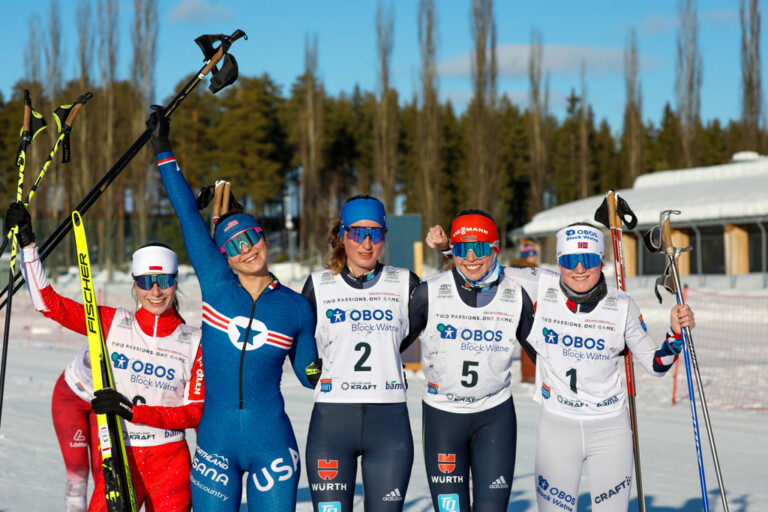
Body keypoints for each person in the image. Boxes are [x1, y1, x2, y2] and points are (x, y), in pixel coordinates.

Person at [149, 108, 318, 512]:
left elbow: (311, 378)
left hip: (272, 446)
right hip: (215, 445)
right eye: (234, 245)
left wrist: (339, 358)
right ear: (223, 255)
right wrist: (162, 148)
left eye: (252, 237)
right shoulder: (217, 285)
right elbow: (188, 214)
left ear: (263, 237)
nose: (247, 249)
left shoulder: (296, 308)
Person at [6, 203, 205, 512]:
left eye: (164, 280)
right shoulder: (114, 324)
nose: (155, 291)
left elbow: (193, 413)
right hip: (119, 456)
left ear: (176, 282)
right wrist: (29, 246)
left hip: (170, 465)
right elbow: (49, 305)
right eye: (145, 281)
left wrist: (135, 412)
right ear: (134, 283)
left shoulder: (194, 341)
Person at [510, 223, 694, 511]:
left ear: (602, 261)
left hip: (610, 429)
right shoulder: (539, 285)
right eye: (570, 260)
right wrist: (448, 249)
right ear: (559, 261)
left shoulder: (621, 305)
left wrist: (674, 334)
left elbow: (656, 365)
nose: (580, 269)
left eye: (591, 260)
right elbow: (482, 269)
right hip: (557, 427)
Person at [408, 210, 537, 512]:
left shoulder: (516, 294)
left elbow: (544, 352)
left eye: (479, 247)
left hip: (495, 417)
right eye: (461, 248)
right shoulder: (430, 291)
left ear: (495, 248)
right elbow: (390, 339)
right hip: (443, 417)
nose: (470, 257)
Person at [302, 195, 419, 512]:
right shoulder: (319, 284)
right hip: (332, 425)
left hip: (389, 423)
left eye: (375, 234)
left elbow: (431, 322)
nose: (367, 244)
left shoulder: (404, 282)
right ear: (343, 235)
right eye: (357, 234)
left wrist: (450, 253)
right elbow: (297, 338)